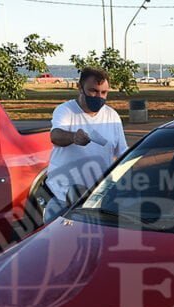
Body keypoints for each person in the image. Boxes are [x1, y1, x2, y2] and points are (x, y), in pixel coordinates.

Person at [44, 67, 128, 223]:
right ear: (80, 88)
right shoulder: (66, 111)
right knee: (56, 243)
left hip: (98, 199)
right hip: (64, 197)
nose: (99, 97)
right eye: (93, 91)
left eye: (104, 93)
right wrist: (74, 137)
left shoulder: (112, 116)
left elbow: (123, 153)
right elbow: (55, 135)